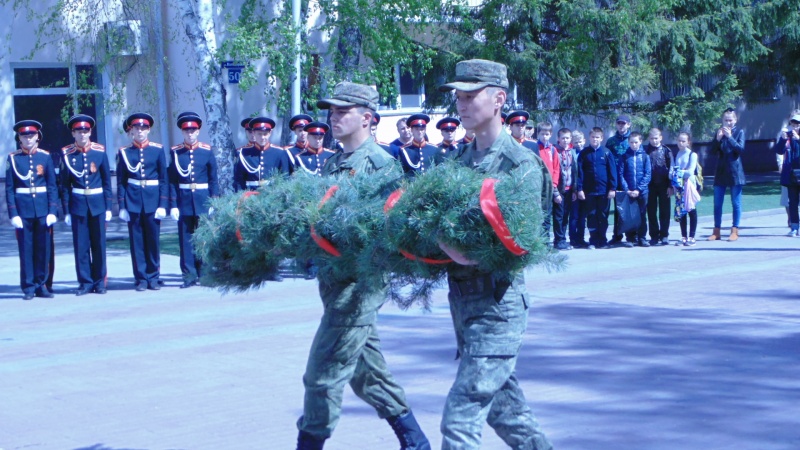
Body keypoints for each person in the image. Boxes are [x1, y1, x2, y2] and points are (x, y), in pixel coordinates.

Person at [295, 82, 430, 450]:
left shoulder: (382, 165)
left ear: (367, 118)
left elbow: (385, 231)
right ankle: (416, 442)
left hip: (359, 286)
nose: (333, 117)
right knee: (367, 374)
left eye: (343, 111)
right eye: (332, 111)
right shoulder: (334, 162)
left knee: (322, 375)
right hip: (334, 282)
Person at [435, 59, 553, 450]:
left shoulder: (520, 164)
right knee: (509, 416)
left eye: (471, 95)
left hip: (498, 306)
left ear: (499, 98)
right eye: (458, 97)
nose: (462, 104)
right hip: (465, 307)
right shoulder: (456, 162)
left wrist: (468, 254)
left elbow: (526, 240)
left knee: (461, 414)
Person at [60, 114, 113, 295]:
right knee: (81, 246)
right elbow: (64, 185)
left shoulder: (99, 151)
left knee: (99, 245)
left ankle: (99, 282)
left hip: (97, 204)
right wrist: (66, 211)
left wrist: (108, 208)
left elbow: (106, 181)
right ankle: (85, 282)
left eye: (86, 131)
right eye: (79, 131)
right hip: (78, 205)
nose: (83, 135)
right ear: (73, 133)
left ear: (90, 132)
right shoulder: (67, 154)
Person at [5, 120, 58, 300]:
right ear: (19, 138)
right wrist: (13, 214)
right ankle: (28, 286)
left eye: (31, 135)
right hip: (23, 211)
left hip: (42, 210)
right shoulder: (13, 158)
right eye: (24, 136)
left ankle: (42, 284)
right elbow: (10, 189)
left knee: (44, 250)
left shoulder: (45, 157)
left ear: (38, 137)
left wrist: (52, 210)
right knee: (26, 250)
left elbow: (52, 186)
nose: (28, 139)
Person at [117, 113, 168, 292]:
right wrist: (122, 206)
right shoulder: (124, 152)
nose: (140, 131)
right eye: (136, 128)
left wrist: (163, 205)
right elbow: (122, 181)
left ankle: (153, 276)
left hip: (153, 201)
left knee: (153, 241)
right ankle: (140, 278)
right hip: (133, 201)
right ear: (131, 130)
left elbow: (163, 179)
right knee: (137, 242)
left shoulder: (157, 150)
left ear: (148, 130)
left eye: (143, 128)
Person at [168, 112, 219, 289]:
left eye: (193, 130)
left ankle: (204, 273)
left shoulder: (206, 151)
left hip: (203, 200)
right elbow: (173, 180)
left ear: (198, 131)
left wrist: (213, 201)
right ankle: (188, 275)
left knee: (204, 238)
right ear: (182, 132)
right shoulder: (176, 152)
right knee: (186, 239)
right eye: (186, 130)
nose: (190, 134)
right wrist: (173, 205)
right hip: (184, 201)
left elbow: (213, 179)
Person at [708, 108, 746, 241]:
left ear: (735, 120)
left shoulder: (739, 132)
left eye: (731, 120)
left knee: (736, 203)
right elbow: (712, 152)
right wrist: (717, 139)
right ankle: (716, 231)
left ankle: (735, 230)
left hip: (735, 173)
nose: (728, 123)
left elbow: (740, 149)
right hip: (721, 172)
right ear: (722, 120)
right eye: (726, 120)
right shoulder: (719, 132)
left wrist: (729, 137)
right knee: (717, 203)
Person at [576, 127, 617, 249]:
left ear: (601, 138)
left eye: (597, 137)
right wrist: (579, 189)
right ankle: (593, 240)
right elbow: (580, 173)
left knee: (603, 216)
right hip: (589, 192)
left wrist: (612, 188)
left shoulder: (606, 152)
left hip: (604, 191)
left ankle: (603, 240)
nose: (595, 139)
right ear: (589, 138)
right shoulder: (584, 154)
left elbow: (612, 172)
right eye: (593, 137)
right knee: (592, 215)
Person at [232, 117, 294, 192]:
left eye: (265, 134)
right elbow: (239, 180)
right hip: (249, 195)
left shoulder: (280, 153)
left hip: (272, 194)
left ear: (270, 133)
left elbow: (285, 178)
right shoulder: (244, 153)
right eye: (259, 134)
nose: (262, 137)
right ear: (254, 133)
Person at [617, 132, 652, 247]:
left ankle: (642, 237)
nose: (634, 144)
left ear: (640, 142)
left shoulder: (645, 156)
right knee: (630, 215)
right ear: (628, 143)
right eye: (631, 142)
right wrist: (627, 190)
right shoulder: (625, 156)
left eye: (636, 142)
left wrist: (639, 189)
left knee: (642, 214)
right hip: (629, 191)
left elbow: (648, 174)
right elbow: (621, 174)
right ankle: (630, 238)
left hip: (642, 192)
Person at [645, 128, 674, 245]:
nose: (654, 141)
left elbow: (671, 168)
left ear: (661, 138)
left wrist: (670, 185)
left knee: (665, 211)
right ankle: (654, 235)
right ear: (648, 139)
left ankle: (664, 235)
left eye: (656, 138)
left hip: (664, 184)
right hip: (650, 185)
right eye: (652, 138)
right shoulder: (645, 150)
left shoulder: (667, 151)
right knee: (651, 211)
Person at [606, 114, 631, 245]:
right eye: (619, 123)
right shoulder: (611, 141)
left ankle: (632, 235)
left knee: (630, 208)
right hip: (615, 178)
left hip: (629, 178)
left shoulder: (633, 139)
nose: (621, 125)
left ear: (629, 125)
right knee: (618, 208)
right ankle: (617, 235)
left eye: (624, 123)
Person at [671, 132, 701, 246]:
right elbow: (673, 169)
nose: (681, 143)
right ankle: (683, 236)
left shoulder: (692, 154)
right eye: (679, 141)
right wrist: (674, 173)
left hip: (689, 186)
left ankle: (692, 236)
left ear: (688, 142)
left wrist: (679, 171)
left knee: (691, 209)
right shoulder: (677, 154)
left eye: (683, 141)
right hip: (679, 187)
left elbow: (690, 171)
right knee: (681, 211)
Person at [775, 112, 800, 236]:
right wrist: (783, 139)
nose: (795, 126)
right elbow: (779, 151)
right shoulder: (787, 136)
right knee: (793, 202)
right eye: (793, 123)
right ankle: (794, 226)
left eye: (797, 124)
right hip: (790, 175)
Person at [536, 121, 561, 243]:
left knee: (547, 215)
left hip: (549, 187)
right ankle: (537, 242)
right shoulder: (534, 148)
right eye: (542, 134)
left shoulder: (553, 150)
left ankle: (546, 242)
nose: (544, 136)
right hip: (537, 186)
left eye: (547, 134)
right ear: (538, 134)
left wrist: (554, 184)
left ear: (550, 134)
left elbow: (556, 169)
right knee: (537, 214)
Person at [554, 127, 577, 250]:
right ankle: (559, 240)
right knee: (559, 215)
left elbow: (575, 172)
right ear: (558, 139)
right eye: (563, 138)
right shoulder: (555, 151)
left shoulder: (572, 152)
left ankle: (562, 238)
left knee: (566, 215)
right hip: (559, 189)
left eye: (567, 138)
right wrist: (555, 191)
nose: (565, 140)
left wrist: (574, 189)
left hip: (569, 188)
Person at [571, 130, 588, 247]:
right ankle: (573, 239)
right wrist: (574, 190)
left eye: (580, 142)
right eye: (576, 142)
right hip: (574, 189)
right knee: (574, 216)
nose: (579, 144)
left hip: (586, 190)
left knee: (583, 216)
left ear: (584, 141)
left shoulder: (587, 153)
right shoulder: (571, 154)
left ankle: (581, 238)